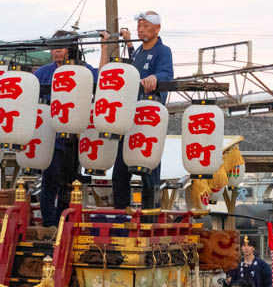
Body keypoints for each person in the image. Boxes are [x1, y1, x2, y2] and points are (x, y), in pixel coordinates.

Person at [100, 11, 173, 209]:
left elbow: (166, 73)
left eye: (145, 26)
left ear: (157, 28)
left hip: (148, 119)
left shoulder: (163, 51)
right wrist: (127, 45)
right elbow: (132, 70)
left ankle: (151, 213)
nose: (140, 29)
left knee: (149, 171)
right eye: (139, 26)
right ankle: (121, 211)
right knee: (120, 171)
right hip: (130, 116)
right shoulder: (139, 51)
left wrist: (156, 78)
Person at [35, 29, 98, 225]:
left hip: (74, 137)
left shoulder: (82, 69)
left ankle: (64, 220)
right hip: (50, 136)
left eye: (61, 47)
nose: (58, 52)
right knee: (50, 179)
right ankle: (49, 221)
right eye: (54, 48)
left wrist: (106, 49)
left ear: (70, 49)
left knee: (70, 182)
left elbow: (101, 78)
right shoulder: (43, 72)